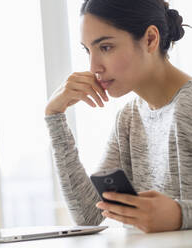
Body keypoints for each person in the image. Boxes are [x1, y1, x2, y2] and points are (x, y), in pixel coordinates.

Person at [44, 0, 192, 233]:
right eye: (87, 50)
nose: (93, 67)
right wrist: (54, 116)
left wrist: (179, 215)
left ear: (150, 39)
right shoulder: (129, 118)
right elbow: (88, 215)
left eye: (106, 47)